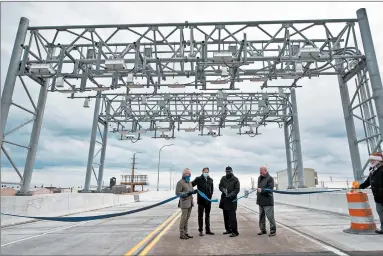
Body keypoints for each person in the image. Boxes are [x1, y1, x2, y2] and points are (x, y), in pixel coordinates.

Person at [358, 152, 383, 234]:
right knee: (380, 212)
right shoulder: (372, 171)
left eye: (373, 159)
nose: (371, 161)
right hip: (378, 197)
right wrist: (358, 187)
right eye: (370, 160)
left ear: (379, 160)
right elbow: (367, 182)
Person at [191, 167, 215, 236]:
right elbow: (191, 185)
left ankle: (208, 230)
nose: (206, 173)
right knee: (200, 216)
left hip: (208, 201)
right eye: (205, 172)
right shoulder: (198, 179)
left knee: (207, 215)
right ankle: (200, 230)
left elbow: (212, 189)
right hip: (201, 201)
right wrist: (191, 191)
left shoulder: (211, 180)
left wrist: (210, 196)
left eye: (207, 172)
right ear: (202, 172)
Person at [175, 168, 197, 239]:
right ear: (184, 174)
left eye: (189, 173)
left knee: (187, 218)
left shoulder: (189, 182)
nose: (189, 175)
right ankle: (181, 233)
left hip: (190, 202)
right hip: (184, 203)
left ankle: (186, 232)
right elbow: (177, 193)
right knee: (183, 218)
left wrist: (194, 191)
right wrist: (186, 193)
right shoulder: (180, 182)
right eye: (187, 173)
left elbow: (191, 190)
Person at [219, 166, 240, 237]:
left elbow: (237, 190)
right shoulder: (223, 178)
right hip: (224, 200)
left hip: (231, 201)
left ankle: (235, 231)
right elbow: (220, 186)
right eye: (226, 171)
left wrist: (230, 195)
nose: (228, 173)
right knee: (225, 216)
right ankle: (228, 229)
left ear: (231, 171)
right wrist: (223, 190)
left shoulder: (235, 179)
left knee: (232, 217)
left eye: (229, 171)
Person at [256, 166, 276, 237]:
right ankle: (263, 230)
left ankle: (273, 231)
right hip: (261, 201)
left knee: (270, 216)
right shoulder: (259, 178)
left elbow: (270, 189)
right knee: (261, 216)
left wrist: (262, 190)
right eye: (259, 171)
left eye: (261, 171)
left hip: (267, 201)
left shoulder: (270, 178)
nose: (260, 172)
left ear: (265, 171)